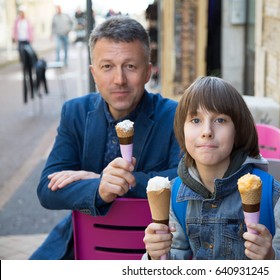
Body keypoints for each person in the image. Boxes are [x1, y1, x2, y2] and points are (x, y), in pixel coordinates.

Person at [30, 16, 180, 260]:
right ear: (94, 73)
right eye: (107, 66)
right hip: (83, 241)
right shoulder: (75, 112)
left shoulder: (174, 115)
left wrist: (111, 181)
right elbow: (48, 189)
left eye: (130, 66)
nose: (119, 79)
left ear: (148, 72)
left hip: (155, 247)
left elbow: (185, 181)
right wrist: (99, 187)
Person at [143, 76, 280, 260]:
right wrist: (155, 256)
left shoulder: (274, 198)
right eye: (195, 120)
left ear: (238, 130)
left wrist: (273, 258)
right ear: (181, 129)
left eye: (220, 120)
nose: (207, 131)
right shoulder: (175, 196)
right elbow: (174, 258)